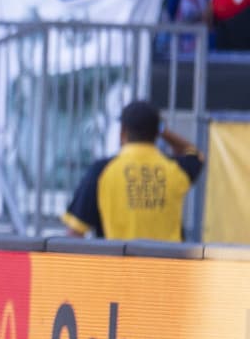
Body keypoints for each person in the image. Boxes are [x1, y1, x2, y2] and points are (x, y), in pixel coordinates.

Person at [62, 100, 204, 240]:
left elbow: (75, 232)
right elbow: (195, 154)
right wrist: (163, 131)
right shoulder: (175, 169)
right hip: (169, 256)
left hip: (118, 256)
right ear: (156, 133)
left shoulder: (102, 171)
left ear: (122, 131)